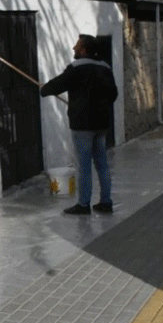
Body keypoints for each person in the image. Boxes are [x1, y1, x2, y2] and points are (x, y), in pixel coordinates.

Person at [40, 34, 118, 215]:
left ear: (84, 49)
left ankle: (84, 204)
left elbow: (58, 84)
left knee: (84, 166)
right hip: (101, 124)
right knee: (102, 164)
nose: (74, 48)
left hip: (82, 124)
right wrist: (100, 107)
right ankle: (106, 202)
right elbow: (113, 94)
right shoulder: (105, 68)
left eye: (77, 46)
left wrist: (44, 89)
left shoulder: (76, 68)